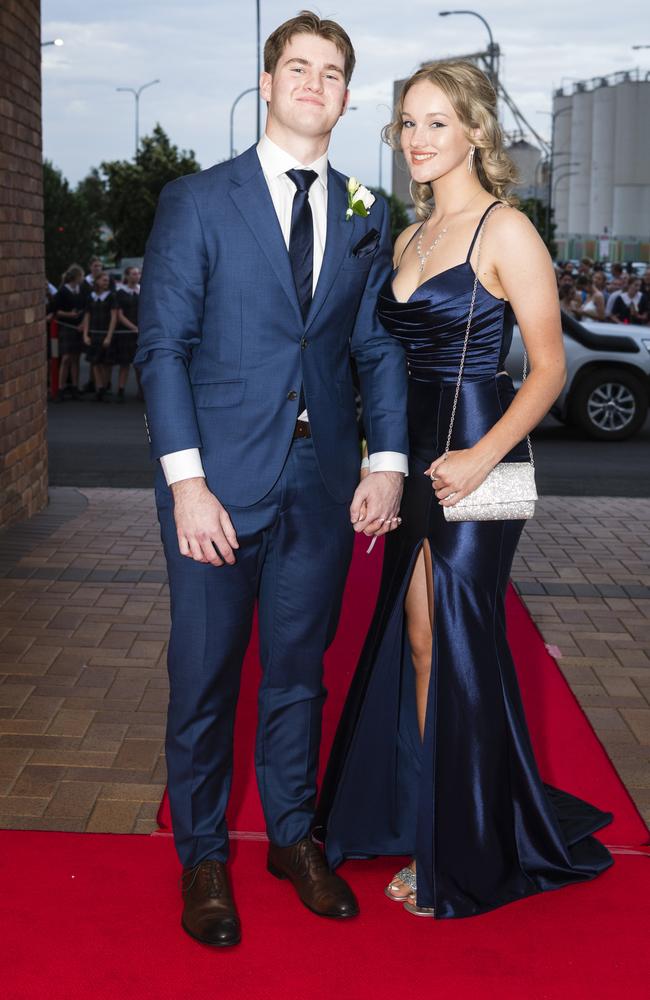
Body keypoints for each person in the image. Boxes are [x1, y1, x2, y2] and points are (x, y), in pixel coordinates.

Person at [135, 10, 407, 947]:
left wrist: (386, 461)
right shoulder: (198, 200)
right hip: (215, 485)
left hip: (322, 481)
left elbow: (374, 347)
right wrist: (185, 483)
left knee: (298, 676)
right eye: (300, 66)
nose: (315, 82)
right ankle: (204, 855)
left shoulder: (369, 213)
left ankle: (291, 837)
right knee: (204, 679)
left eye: (333, 72)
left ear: (344, 94)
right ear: (267, 80)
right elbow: (163, 348)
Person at [317, 59, 613, 920]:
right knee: (416, 640)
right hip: (411, 457)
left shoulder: (506, 230)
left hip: (481, 455)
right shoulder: (405, 238)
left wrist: (481, 455)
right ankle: (438, 817)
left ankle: (471, 843)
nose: (417, 138)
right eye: (407, 122)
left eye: (437, 122)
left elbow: (550, 368)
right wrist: (381, 456)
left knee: (456, 637)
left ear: (477, 132)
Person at [82, 271, 117, 401]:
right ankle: (99, 387)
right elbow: (87, 316)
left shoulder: (111, 296)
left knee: (106, 362)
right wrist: (85, 334)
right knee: (95, 362)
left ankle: (106, 385)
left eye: (107, 280)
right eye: (103, 280)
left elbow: (114, 318)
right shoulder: (90, 297)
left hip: (105, 333)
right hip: (94, 333)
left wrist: (109, 336)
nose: (106, 282)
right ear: (97, 281)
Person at [53, 264, 85, 401]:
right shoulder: (62, 291)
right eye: (82, 276)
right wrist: (69, 315)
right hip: (66, 326)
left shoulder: (80, 290)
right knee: (66, 358)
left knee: (76, 359)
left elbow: (85, 308)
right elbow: (56, 311)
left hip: (78, 327)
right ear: (77, 277)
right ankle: (61, 388)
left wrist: (83, 323)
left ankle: (75, 387)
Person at [114, 266, 141, 402]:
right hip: (126, 332)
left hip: (141, 333)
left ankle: (141, 391)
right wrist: (133, 327)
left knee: (139, 364)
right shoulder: (121, 292)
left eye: (137, 274)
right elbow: (119, 315)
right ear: (127, 276)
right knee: (124, 363)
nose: (136, 276)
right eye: (133, 274)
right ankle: (120, 390)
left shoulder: (143, 291)